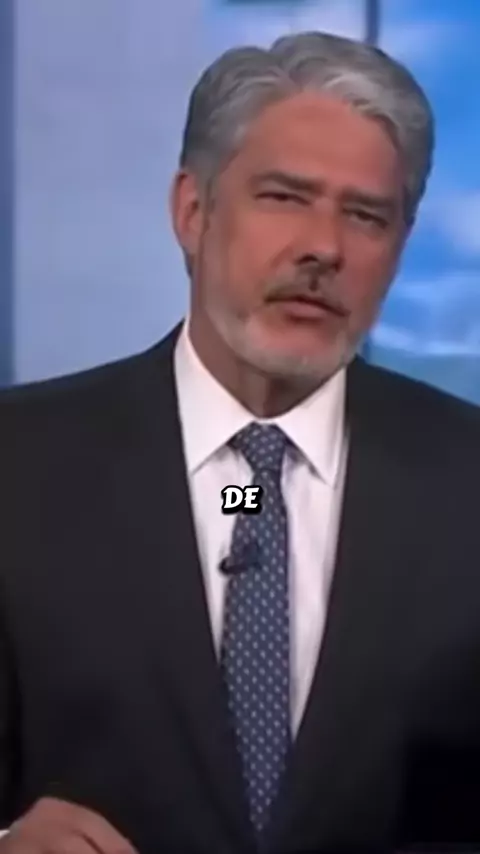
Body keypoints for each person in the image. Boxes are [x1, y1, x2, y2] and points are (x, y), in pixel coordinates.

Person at [1, 28, 480, 854]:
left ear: (400, 249)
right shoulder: (19, 464)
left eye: (365, 215)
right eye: (285, 197)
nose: (324, 247)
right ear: (192, 211)